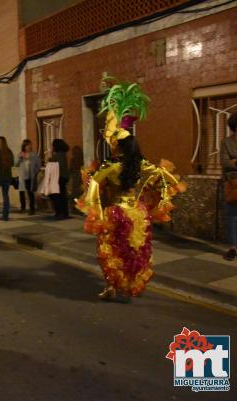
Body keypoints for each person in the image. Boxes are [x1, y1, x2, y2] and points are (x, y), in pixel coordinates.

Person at [76, 79, 186, 300]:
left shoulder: (112, 166)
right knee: (135, 251)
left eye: (114, 143)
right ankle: (132, 283)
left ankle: (111, 287)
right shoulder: (145, 165)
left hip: (117, 214)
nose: (112, 145)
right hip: (139, 213)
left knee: (110, 250)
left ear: (119, 146)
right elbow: (169, 180)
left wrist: (95, 208)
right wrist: (161, 201)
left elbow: (93, 183)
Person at [220, 111, 237, 261]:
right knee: (231, 217)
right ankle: (232, 248)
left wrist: (236, 161)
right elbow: (225, 163)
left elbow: (232, 162)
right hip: (234, 184)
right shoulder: (226, 142)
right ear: (235, 124)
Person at [16, 139, 41, 215]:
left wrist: (35, 172)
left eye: (29, 145)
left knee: (30, 193)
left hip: (30, 177)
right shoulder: (21, 154)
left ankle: (32, 209)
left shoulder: (34, 155)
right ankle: (23, 207)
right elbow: (16, 164)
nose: (28, 147)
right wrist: (20, 158)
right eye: (26, 145)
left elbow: (38, 165)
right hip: (22, 176)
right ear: (24, 146)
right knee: (21, 192)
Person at [49, 139, 70, 219]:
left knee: (56, 195)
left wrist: (51, 158)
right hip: (63, 177)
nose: (52, 147)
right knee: (62, 195)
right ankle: (64, 213)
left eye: (52, 145)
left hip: (59, 177)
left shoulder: (59, 154)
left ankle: (60, 213)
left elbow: (58, 165)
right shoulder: (62, 154)